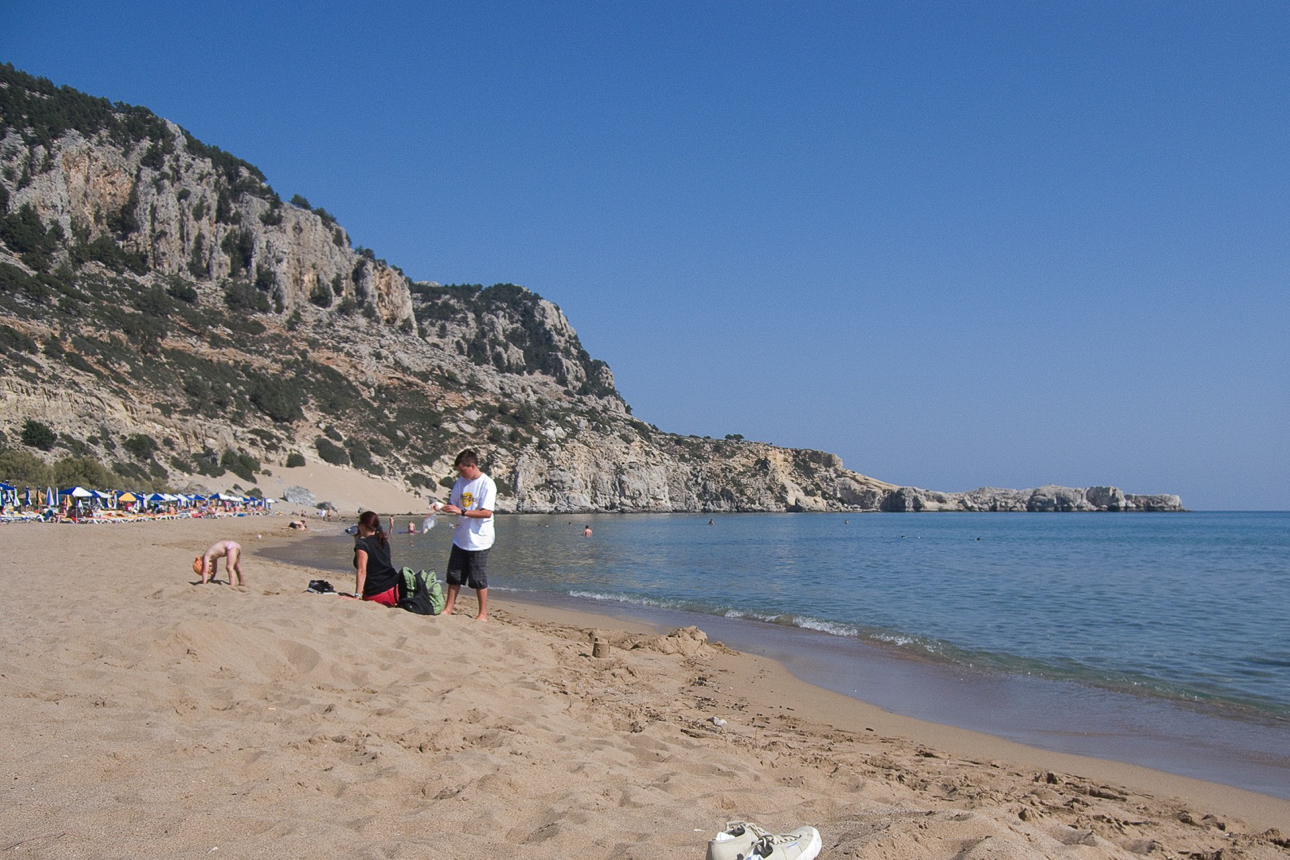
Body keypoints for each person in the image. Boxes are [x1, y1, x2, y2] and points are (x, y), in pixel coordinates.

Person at [440, 449, 496, 621]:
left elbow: (486, 512)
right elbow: (454, 504)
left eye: (463, 470)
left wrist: (462, 512)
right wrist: (443, 507)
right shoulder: (460, 482)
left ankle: (483, 613)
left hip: (480, 539)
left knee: (478, 578)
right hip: (461, 537)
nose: (461, 474)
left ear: (472, 466)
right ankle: (448, 608)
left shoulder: (487, 484)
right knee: (454, 575)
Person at [351, 511, 401, 606]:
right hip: (396, 590)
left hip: (377, 593)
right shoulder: (383, 541)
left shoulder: (363, 544)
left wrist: (357, 596)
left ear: (363, 526)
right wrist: (357, 542)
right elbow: (379, 563)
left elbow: (362, 571)